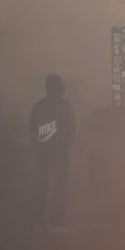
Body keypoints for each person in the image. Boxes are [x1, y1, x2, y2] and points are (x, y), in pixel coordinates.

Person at [29, 73, 76, 231]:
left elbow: (33, 131)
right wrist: (63, 144)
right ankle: (57, 221)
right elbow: (71, 131)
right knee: (59, 187)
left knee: (43, 186)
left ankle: (40, 220)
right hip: (60, 153)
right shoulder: (66, 106)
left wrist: (42, 144)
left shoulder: (39, 106)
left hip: (45, 153)